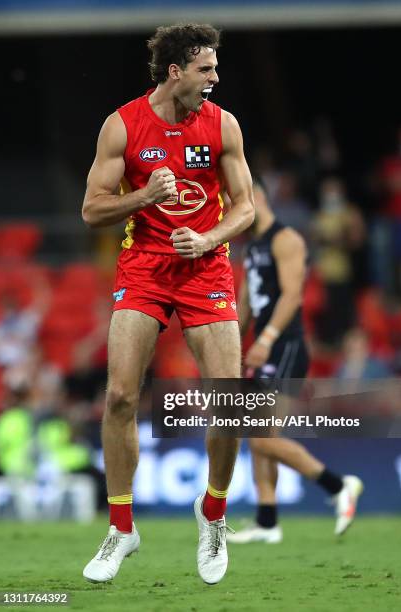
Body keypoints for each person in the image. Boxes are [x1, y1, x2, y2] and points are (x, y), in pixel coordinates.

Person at [81, 24, 254, 584]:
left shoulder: (222, 123)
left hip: (205, 265)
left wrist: (208, 240)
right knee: (121, 397)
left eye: (216, 67)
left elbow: (246, 207)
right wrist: (143, 197)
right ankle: (122, 528)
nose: (216, 78)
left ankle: (213, 512)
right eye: (206, 68)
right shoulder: (123, 125)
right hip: (146, 267)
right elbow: (92, 209)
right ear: (175, 70)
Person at [227, 182, 363, 545]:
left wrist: (267, 339)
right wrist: (231, 347)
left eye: (237, 199)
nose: (232, 208)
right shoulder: (252, 248)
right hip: (264, 348)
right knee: (260, 436)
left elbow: (292, 297)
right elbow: (245, 306)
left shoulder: (286, 239)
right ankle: (267, 522)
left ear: (257, 198)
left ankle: (338, 485)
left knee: (260, 438)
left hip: (285, 346)